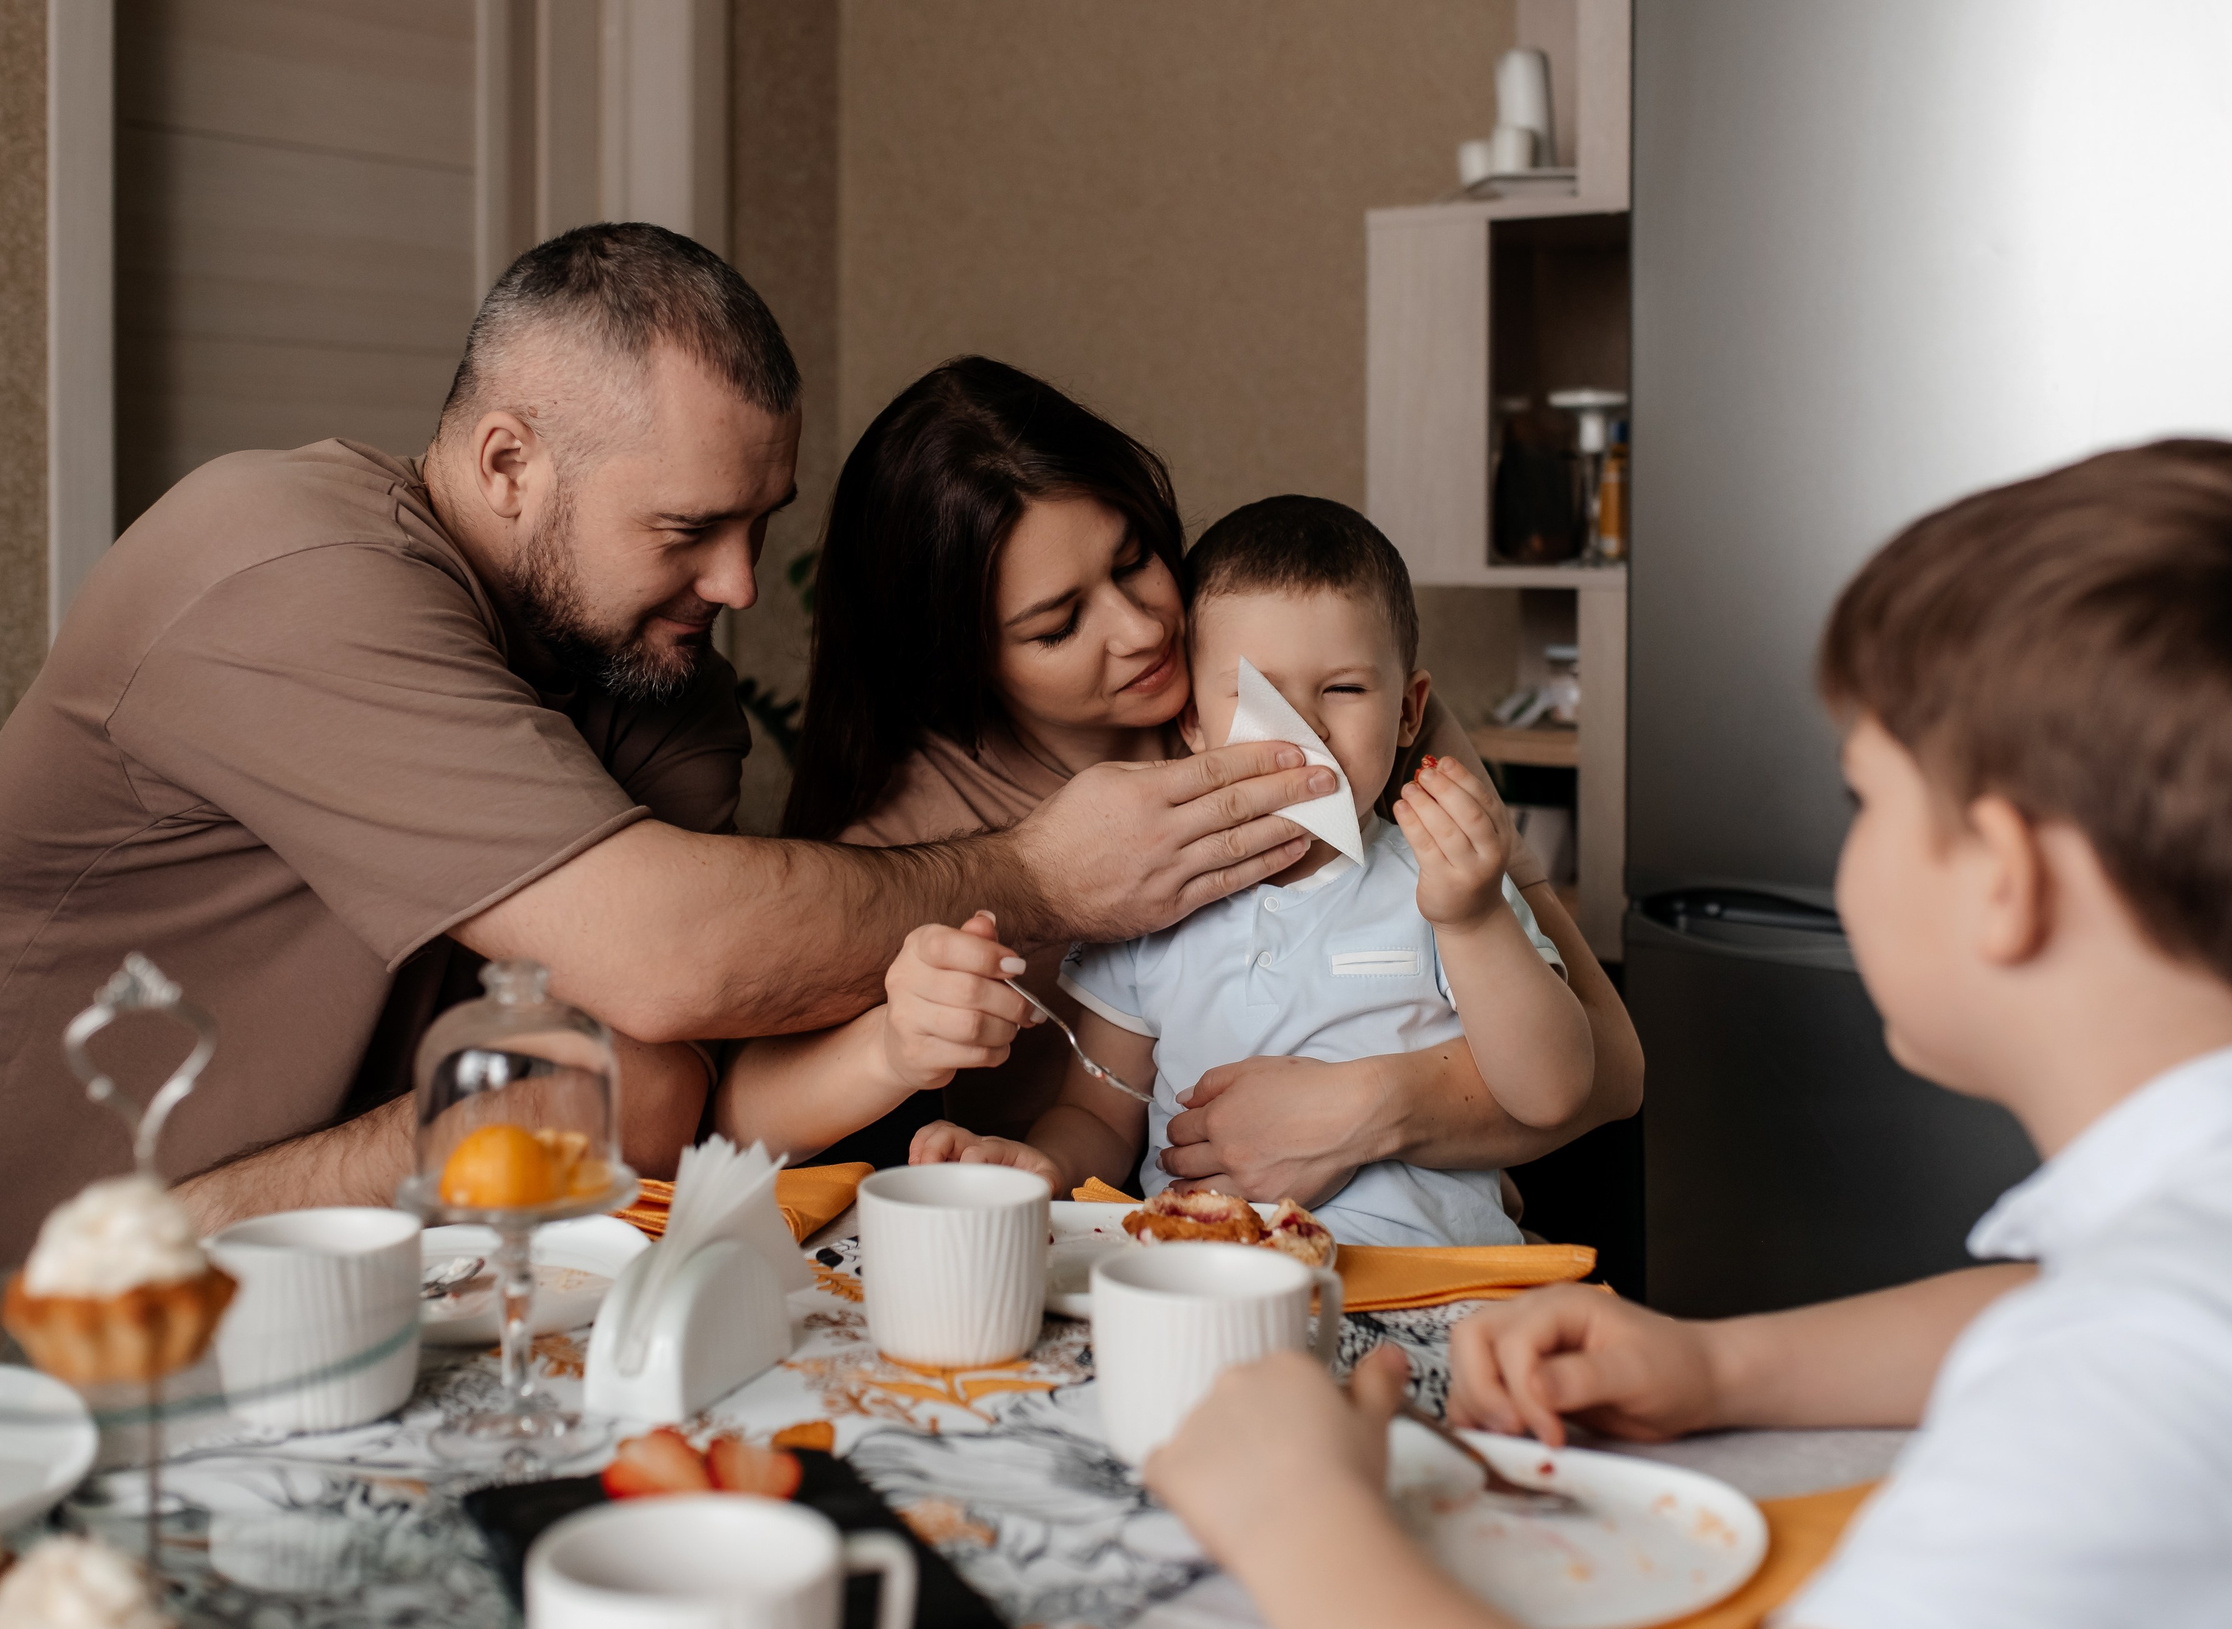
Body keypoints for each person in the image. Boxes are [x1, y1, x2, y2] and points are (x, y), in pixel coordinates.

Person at [1145, 440, 2232, 1626]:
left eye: (1865, 797)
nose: (1848, 844)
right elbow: (2076, 1297)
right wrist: (1722, 1366)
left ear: (2003, 879)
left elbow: (2119, 1347)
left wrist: (1305, 1519)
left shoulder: (2129, 1412)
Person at [0, 229, 1340, 1262]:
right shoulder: (277, 557)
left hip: (364, 1255)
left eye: (760, 520)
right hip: (59, 1249)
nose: (745, 585)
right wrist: (1047, 875)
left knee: (627, 1080)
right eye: (689, 530)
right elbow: (673, 958)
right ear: (510, 463)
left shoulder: (655, 678)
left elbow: (651, 1065)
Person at [712, 358, 1640, 1205]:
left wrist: (1367, 1108)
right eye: (1058, 623)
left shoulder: (1331, 694)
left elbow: (1610, 1072)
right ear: (962, 664)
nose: (1144, 629)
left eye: (1132, 561)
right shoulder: (924, 833)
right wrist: (898, 1043)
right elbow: (743, 1114)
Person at [914, 498, 1593, 1244]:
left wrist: (1472, 918)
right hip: (1205, 1273)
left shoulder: (1452, 882)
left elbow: (1555, 1090)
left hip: (1422, 1282)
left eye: (1343, 688)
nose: (1306, 729)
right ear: (1195, 725)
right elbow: (1099, 1112)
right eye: (1258, 696)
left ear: (1408, 711)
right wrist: (1038, 1165)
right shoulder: (1148, 901)